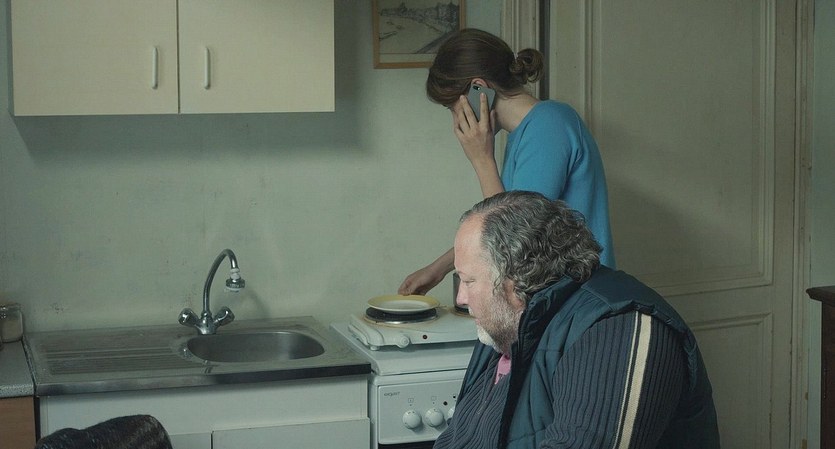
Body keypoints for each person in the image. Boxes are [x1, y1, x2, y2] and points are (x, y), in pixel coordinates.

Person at [435, 190, 719, 449]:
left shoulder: (617, 328)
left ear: (516, 278)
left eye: (469, 281)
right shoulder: (504, 325)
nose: (461, 298)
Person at [399, 28, 615, 296]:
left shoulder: (549, 125)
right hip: (558, 297)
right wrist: (438, 269)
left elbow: (513, 240)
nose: (455, 118)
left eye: (451, 106)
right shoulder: (524, 132)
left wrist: (482, 160)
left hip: (579, 300)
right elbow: (505, 219)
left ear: (479, 89)